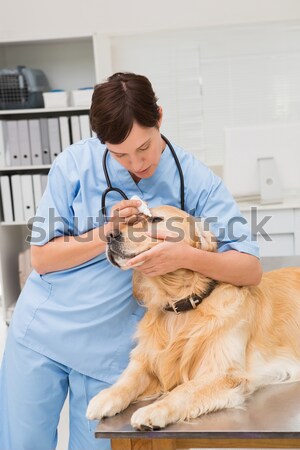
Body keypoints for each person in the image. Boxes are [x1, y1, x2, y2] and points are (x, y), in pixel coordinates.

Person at [0, 72, 262, 450]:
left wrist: (185, 255)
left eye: (144, 147)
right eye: (118, 153)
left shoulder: (196, 180)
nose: (136, 163)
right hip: (43, 334)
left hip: (115, 349)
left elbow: (249, 268)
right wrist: (106, 231)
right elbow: (42, 257)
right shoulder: (71, 165)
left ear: (159, 117)